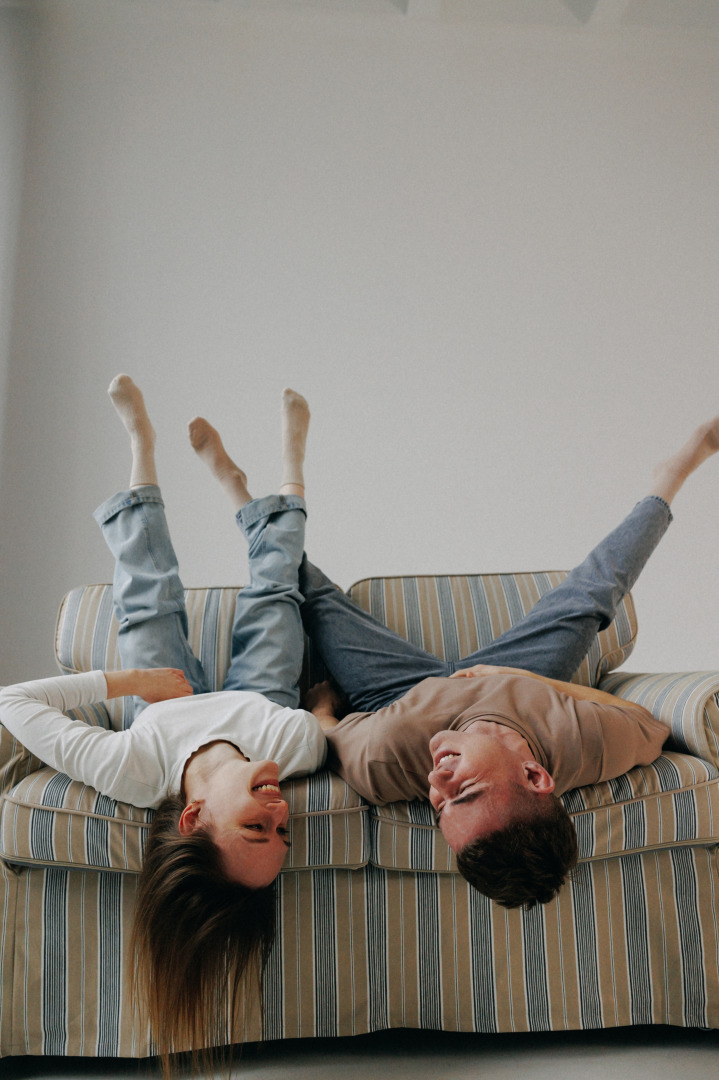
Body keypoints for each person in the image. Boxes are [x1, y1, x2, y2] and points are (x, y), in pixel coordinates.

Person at [0, 376, 336, 1072]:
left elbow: (11, 703)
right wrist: (328, 711)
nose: (278, 811)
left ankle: (140, 444)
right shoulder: (290, 749)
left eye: (254, 825)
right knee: (276, 593)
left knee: (146, 590)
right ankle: (281, 470)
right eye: (283, 830)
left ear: (191, 818)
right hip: (259, 703)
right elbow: (321, 724)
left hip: (161, 705)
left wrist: (124, 682)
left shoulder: (132, 773)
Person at [300, 414, 719, 909]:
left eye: (439, 806)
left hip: (403, 697)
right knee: (591, 594)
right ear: (536, 776)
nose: (437, 781)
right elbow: (645, 722)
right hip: (519, 680)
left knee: (317, 601)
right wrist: (512, 675)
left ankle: (257, 503)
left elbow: (326, 728)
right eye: (466, 791)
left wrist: (322, 709)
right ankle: (668, 479)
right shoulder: (586, 744)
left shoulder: (383, 757)